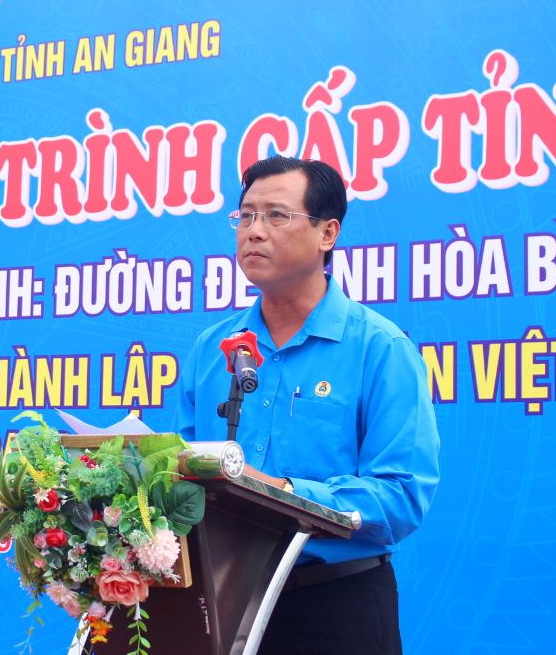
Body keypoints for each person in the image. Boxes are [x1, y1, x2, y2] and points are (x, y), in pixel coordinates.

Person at [173, 156, 441, 654]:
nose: (254, 231)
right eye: (245, 216)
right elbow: (183, 474)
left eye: (276, 215)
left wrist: (286, 496)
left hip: (334, 606)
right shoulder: (214, 350)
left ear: (327, 234)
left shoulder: (379, 349)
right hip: (221, 605)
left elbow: (401, 495)